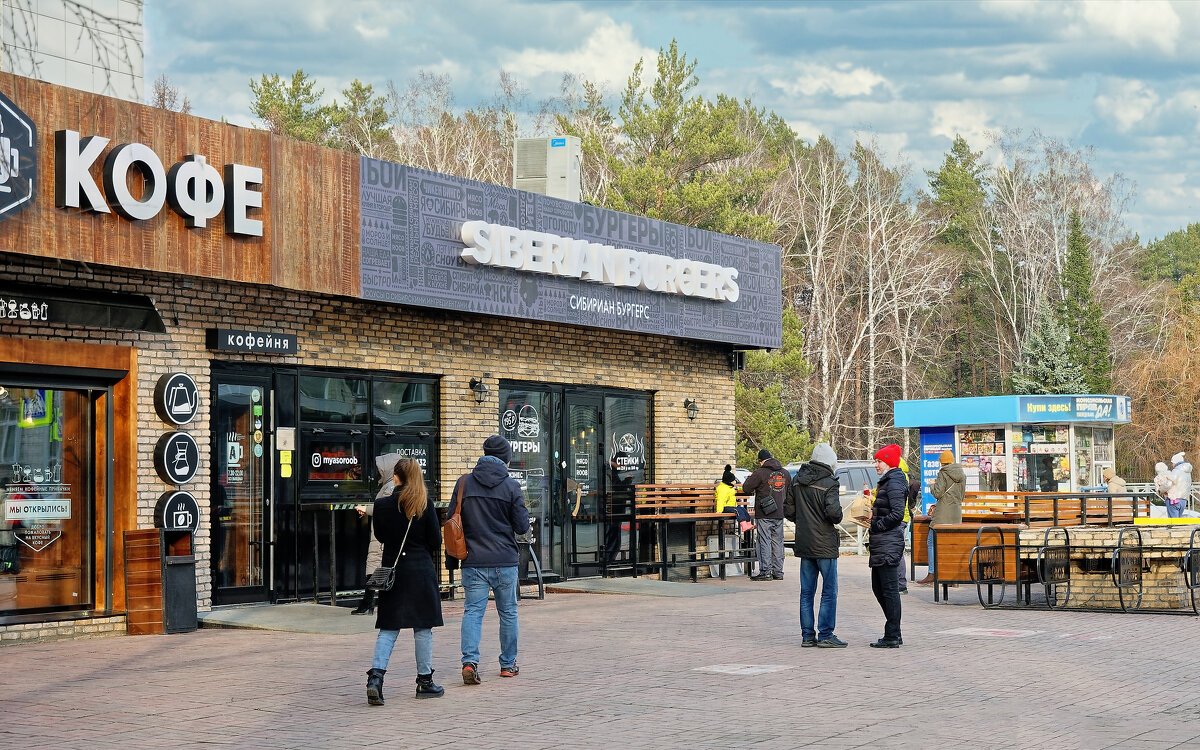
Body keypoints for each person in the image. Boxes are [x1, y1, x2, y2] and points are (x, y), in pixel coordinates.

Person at [446, 435, 531, 685]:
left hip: (473, 561)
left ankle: (470, 662)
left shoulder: (464, 484)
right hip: (504, 560)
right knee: (508, 613)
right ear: (506, 458)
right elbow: (522, 525)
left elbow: (452, 521)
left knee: (473, 612)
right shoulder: (511, 486)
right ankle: (507, 665)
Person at [365, 458, 444, 705]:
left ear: (395, 478)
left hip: (394, 571)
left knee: (389, 628)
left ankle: (375, 678)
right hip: (420, 571)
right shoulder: (424, 505)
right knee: (423, 628)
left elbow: (380, 536)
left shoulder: (381, 506)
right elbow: (435, 541)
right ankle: (425, 681)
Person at [785, 442, 846, 648]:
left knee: (806, 591)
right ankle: (826, 634)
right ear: (830, 461)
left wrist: (804, 521)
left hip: (804, 543)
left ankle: (807, 636)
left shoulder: (796, 480)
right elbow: (834, 514)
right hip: (825, 545)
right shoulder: (830, 482)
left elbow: (789, 511)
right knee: (829, 590)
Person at [868, 444, 906, 648]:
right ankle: (894, 631)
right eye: (876, 461)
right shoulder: (888, 482)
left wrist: (878, 525)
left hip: (888, 541)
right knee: (879, 587)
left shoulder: (894, 482)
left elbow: (897, 513)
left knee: (888, 590)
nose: (876, 465)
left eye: (879, 461)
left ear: (889, 462)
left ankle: (892, 634)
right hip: (883, 541)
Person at [917, 450, 964, 585]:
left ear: (942, 462)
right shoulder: (961, 473)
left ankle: (932, 573)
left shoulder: (943, 473)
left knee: (931, 542)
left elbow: (937, 493)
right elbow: (962, 496)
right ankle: (952, 578)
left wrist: (932, 484)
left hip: (942, 514)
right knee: (951, 545)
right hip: (956, 514)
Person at [742, 448, 789, 581]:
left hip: (764, 513)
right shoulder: (785, 473)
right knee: (778, 542)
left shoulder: (760, 473)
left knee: (764, 541)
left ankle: (766, 572)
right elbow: (790, 491)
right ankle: (778, 572)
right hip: (780, 512)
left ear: (761, 461)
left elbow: (746, 488)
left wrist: (752, 481)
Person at [1167, 452, 1192, 519]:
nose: (1172, 465)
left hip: (1174, 498)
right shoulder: (1187, 472)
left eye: (1172, 463)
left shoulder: (1176, 471)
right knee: (1178, 519)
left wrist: (1161, 489)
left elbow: (1169, 484)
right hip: (1183, 499)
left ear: (1175, 462)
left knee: (1174, 522)